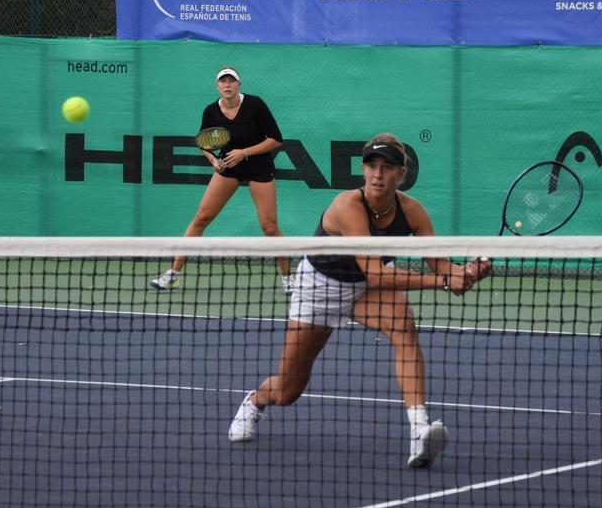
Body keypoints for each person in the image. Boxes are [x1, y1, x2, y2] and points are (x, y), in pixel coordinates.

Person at [227, 133, 492, 468]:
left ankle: (418, 429)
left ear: (401, 175)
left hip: (366, 290)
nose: (378, 174)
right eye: (372, 166)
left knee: (403, 327)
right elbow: (379, 274)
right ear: (364, 171)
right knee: (288, 391)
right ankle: (254, 401)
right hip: (320, 288)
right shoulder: (347, 206)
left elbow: (442, 269)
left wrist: (465, 273)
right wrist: (443, 280)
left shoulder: (413, 213)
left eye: (387, 167)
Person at [150, 66, 291, 292]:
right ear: (217, 86)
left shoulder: (256, 105)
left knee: (270, 227)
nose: (227, 85)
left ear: (239, 85)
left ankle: (288, 278)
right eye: (223, 81)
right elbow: (203, 143)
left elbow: (276, 140)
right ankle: (173, 274)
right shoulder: (211, 111)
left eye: (231, 81)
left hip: (258, 166)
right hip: (227, 167)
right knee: (201, 217)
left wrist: (243, 152)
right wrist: (213, 160)